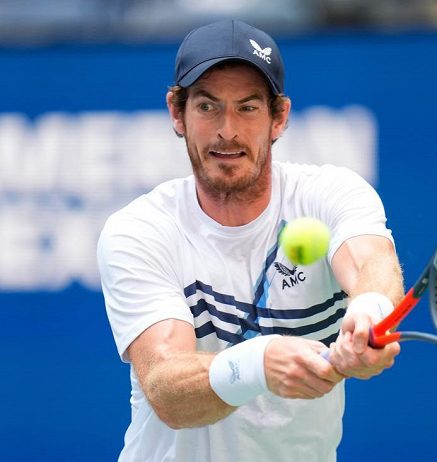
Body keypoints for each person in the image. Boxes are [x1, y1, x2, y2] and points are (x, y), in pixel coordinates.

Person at [97, 19, 403, 462]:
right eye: (207, 107)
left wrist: (369, 312)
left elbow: (372, 261)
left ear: (278, 117)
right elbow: (167, 389)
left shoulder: (330, 193)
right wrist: (259, 363)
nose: (227, 131)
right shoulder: (140, 229)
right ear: (175, 112)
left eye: (247, 108)